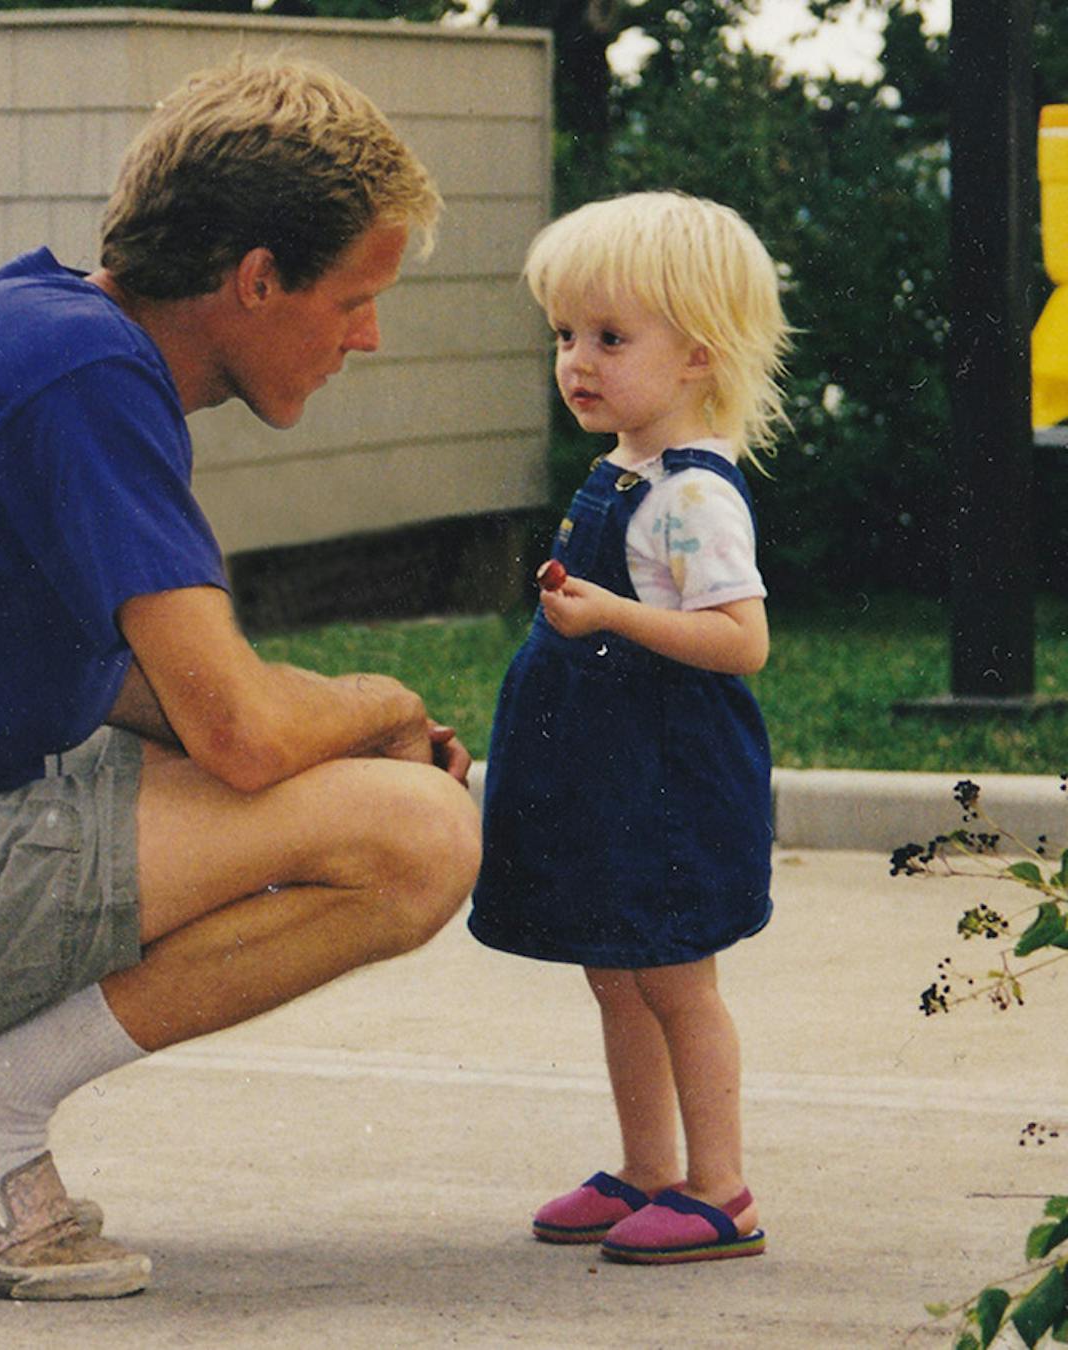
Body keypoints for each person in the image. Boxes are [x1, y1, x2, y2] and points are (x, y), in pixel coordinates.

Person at [0, 56, 478, 1301]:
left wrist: (326, 740)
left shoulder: (47, 335)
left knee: (346, 791)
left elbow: (161, 697)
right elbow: (234, 729)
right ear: (257, 279)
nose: (368, 335)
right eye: (356, 295)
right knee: (419, 841)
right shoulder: (88, 378)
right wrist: (381, 706)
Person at [468, 191, 792, 1265]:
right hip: (613, 773)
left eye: (610, 337)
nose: (577, 360)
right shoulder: (625, 470)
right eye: (566, 335)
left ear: (697, 354)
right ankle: (647, 1165)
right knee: (615, 968)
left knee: (673, 976)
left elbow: (740, 640)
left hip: (667, 777)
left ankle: (721, 1188)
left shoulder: (692, 498)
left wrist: (609, 614)